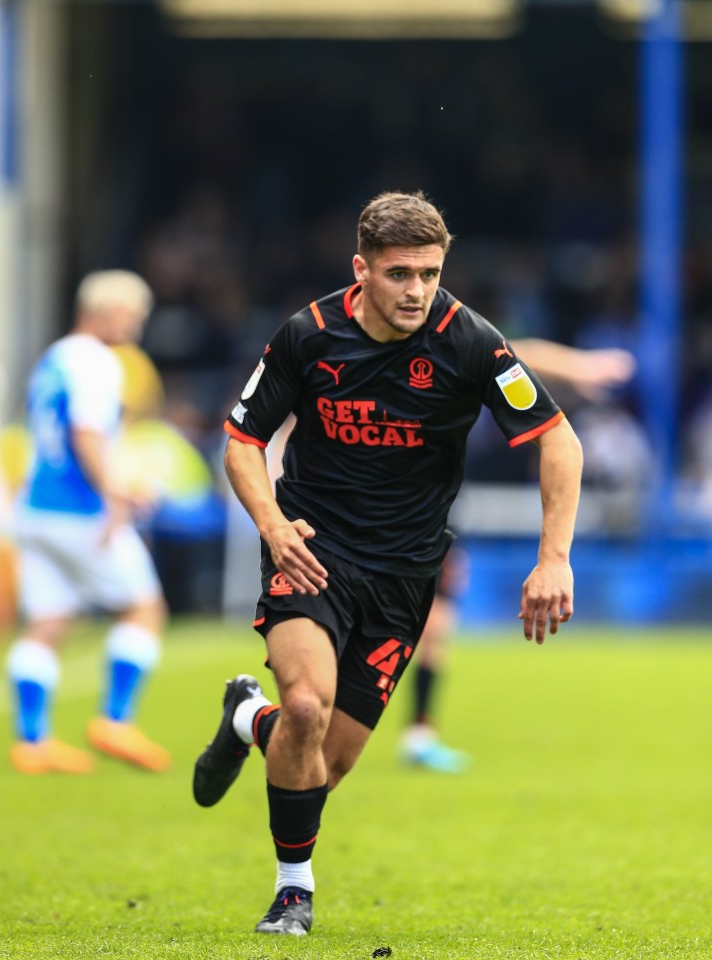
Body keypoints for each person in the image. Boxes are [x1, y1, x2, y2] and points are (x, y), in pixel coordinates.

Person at [193, 191, 583, 936]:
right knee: (307, 707)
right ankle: (293, 893)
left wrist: (553, 558)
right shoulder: (308, 335)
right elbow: (242, 440)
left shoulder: (470, 342)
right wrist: (273, 525)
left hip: (405, 575)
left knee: (324, 764)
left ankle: (245, 717)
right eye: (400, 273)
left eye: (430, 273)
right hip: (311, 552)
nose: (417, 291)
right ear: (361, 270)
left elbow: (557, 440)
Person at [399, 341, 636, 772]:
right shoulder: (384, 362)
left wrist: (578, 366)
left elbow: (515, 351)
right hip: (380, 511)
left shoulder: (456, 344)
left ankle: (419, 733)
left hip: (439, 516)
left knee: (436, 626)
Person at [5, 270, 170, 775]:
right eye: (133, 315)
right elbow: (86, 433)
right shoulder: (98, 362)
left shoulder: (55, 357)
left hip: (34, 509)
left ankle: (32, 741)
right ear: (103, 311)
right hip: (79, 511)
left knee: (47, 623)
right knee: (144, 609)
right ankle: (115, 720)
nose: (137, 326)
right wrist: (116, 491)